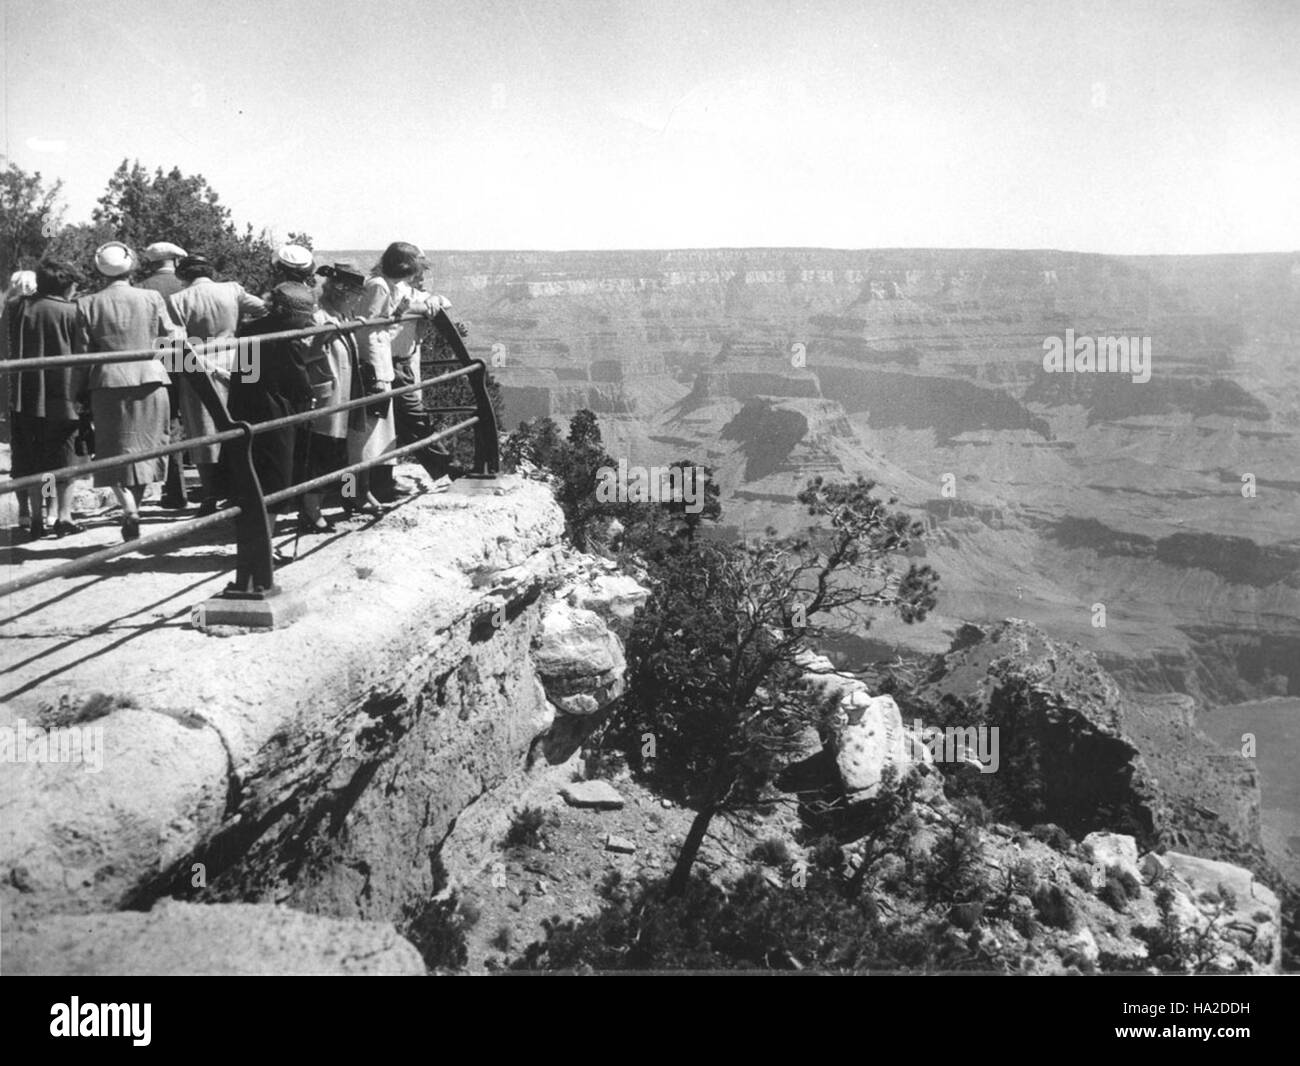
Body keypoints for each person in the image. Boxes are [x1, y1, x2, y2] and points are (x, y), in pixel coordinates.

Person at [75, 242, 178, 541]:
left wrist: (78, 391)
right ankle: (136, 506)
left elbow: (82, 354)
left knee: (112, 450)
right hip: (151, 379)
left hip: (107, 383)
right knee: (149, 447)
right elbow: (171, 337)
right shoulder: (151, 297)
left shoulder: (86, 303)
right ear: (132, 265)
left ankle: (128, 508)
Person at [167, 254, 266, 513]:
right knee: (243, 422)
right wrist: (242, 328)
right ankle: (241, 488)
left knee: (203, 430)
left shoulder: (177, 300)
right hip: (242, 358)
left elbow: (177, 342)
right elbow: (264, 308)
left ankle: (210, 494)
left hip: (199, 365)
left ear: (183, 275)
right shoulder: (232, 289)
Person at [358, 242, 454, 488]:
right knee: (405, 420)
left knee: (391, 425)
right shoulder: (379, 286)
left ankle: (380, 484)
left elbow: (414, 303)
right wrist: (379, 373)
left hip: (393, 365)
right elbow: (369, 329)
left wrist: (434, 299)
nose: (419, 273)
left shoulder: (395, 286)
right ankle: (358, 493)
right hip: (380, 366)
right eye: (416, 267)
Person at [294, 261, 381, 530]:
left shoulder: (342, 316)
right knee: (323, 456)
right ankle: (311, 510)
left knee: (346, 454)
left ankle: (348, 498)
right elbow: (305, 354)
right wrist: (326, 335)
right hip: (328, 396)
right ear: (342, 292)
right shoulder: (319, 317)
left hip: (347, 394)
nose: (358, 300)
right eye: (356, 295)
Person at [7, 259, 87, 538]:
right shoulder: (73, 311)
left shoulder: (17, 307)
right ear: (67, 286)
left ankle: (36, 517)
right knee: (63, 459)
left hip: (24, 396)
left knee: (32, 459)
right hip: (64, 397)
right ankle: (62, 516)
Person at [228, 282, 315, 504]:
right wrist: (309, 396)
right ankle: (270, 522)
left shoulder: (249, 329)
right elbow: (298, 379)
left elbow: (246, 373)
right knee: (277, 470)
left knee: (252, 465)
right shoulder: (288, 337)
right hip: (277, 406)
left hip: (247, 404)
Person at [137, 242, 188, 507]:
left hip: (154, 361)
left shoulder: (142, 288)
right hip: (188, 358)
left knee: (159, 424)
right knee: (182, 422)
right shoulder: (185, 284)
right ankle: (180, 488)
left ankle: (160, 488)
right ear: (176, 262)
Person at [3, 270, 38, 528]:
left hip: (11, 393)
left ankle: (24, 510)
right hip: (41, 392)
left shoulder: (6, 313)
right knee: (44, 457)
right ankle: (45, 508)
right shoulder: (41, 310)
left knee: (20, 457)